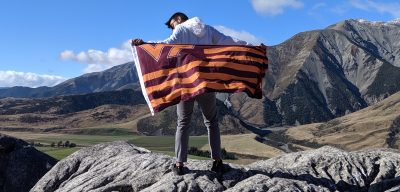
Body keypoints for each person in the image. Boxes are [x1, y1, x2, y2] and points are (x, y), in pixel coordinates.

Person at [132, 12, 254, 176]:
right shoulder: (208, 30)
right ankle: (217, 161)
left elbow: (166, 45)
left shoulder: (181, 29)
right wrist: (249, 46)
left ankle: (180, 164)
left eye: (171, 25)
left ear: (178, 19)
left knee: (183, 122)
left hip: (186, 82)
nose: (171, 28)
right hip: (205, 81)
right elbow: (228, 41)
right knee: (212, 121)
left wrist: (145, 44)